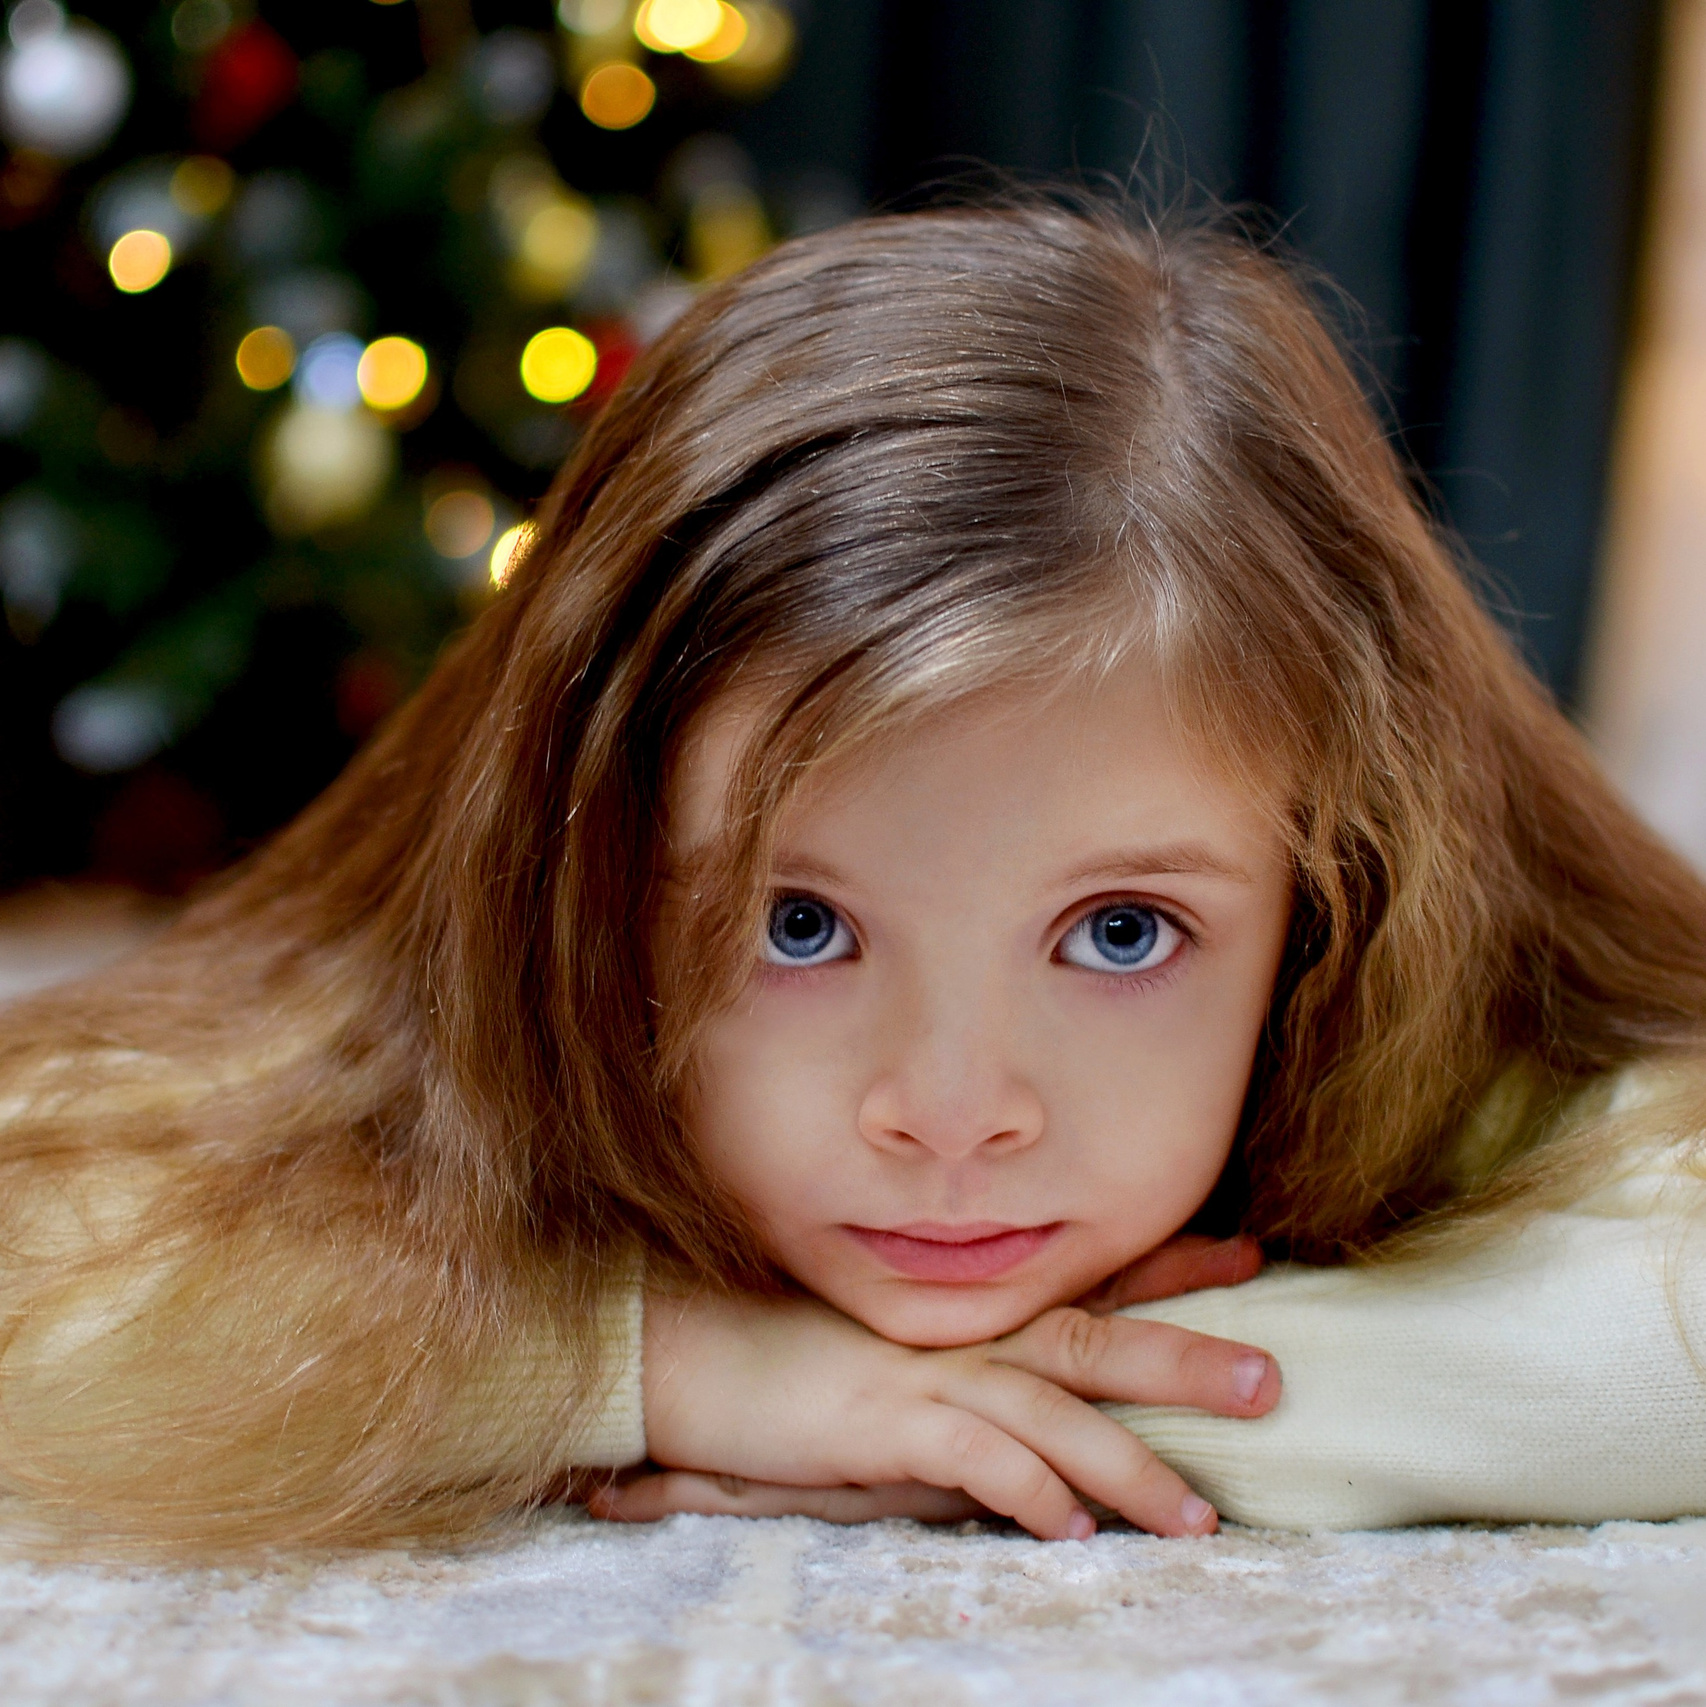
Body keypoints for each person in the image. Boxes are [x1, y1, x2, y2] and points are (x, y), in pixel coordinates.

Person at [3, 201, 1704, 1554]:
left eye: (1121, 932)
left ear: (1334, 889)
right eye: (796, 924)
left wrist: (992, 1410)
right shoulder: (475, 1031)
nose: (951, 1114)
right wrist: (664, 1361)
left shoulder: (1409, 1012)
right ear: (573, 865)